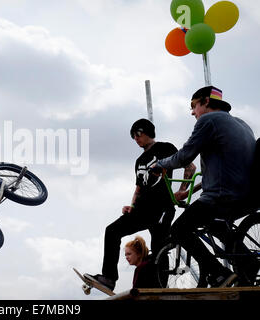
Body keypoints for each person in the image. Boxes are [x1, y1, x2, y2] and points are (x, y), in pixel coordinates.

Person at [154, 86, 256, 287]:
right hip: (246, 195)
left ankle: (219, 273)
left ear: (206, 102)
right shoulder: (242, 124)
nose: (192, 112)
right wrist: (193, 190)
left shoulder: (209, 121)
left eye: (193, 106)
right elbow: (227, 169)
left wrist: (160, 164)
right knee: (212, 223)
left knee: (179, 229)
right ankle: (247, 260)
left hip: (222, 197)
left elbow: (184, 157)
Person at [85, 119, 196, 291]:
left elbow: (190, 167)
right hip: (142, 209)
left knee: (159, 248)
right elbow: (138, 188)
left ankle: (160, 287)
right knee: (112, 231)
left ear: (148, 132)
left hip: (161, 207)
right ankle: (109, 278)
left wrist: (182, 191)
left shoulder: (165, 148)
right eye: (133, 137)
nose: (136, 139)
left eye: (138, 134)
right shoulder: (139, 161)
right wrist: (132, 206)